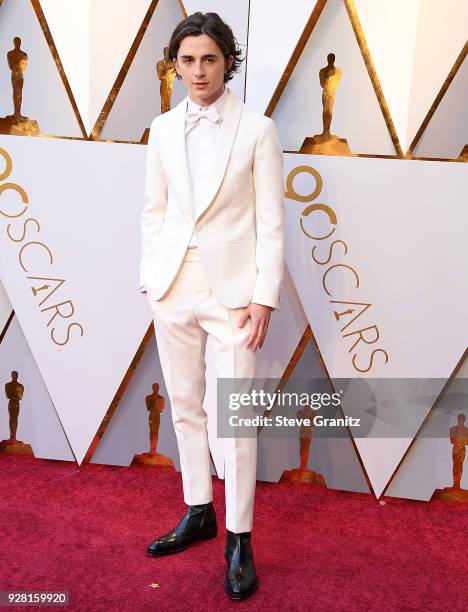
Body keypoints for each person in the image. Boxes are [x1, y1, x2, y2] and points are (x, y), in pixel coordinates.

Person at [139, 11, 284, 601]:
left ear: (228, 62)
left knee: (235, 418)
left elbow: (273, 226)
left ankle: (239, 538)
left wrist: (263, 298)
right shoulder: (163, 128)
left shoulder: (258, 130)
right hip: (173, 287)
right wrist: (153, 276)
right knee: (184, 405)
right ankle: (198, 508)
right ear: (174, 64)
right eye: (187, 60)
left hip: (233, 296)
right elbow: (155, 210)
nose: (198, 71)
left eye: (209, 60)